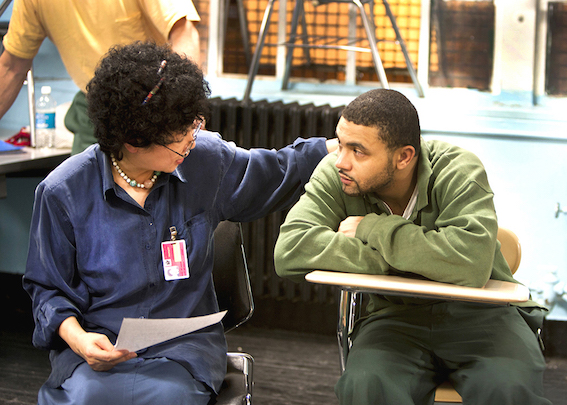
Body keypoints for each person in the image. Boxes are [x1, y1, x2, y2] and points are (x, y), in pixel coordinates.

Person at [22, 41, 337, 405]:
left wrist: (344, 144)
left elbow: (279, 170)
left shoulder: (205, 159)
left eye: (195, 124)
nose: (192, 137)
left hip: (182, 349)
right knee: (90, 398)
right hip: (97, 347)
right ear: (134, 140)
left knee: (167, 397)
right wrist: (79, 339)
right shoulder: (63, 192)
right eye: (179, 137)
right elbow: (48, 289)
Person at [274, 89, 551, 405]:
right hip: (396, 315)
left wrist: (371, 228)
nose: (341, 161)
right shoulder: (336, 174)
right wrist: (412, 261)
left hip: (483, 315)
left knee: (508, 389)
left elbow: (469, 265)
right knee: (366, 385)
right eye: (340, 143)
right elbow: (291, 251)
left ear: (404, 156)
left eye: (358, 151)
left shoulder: (457, 169)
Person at [0, 0, 201, 155]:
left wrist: (183, 113)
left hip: (156, 110)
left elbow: (184, 34)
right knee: (85, 196)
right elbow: (11, 68)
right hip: (95, 110)